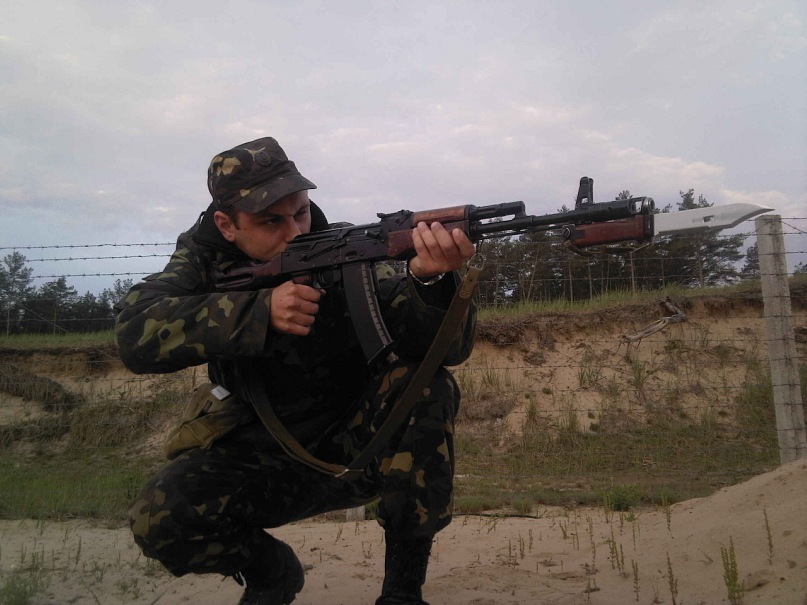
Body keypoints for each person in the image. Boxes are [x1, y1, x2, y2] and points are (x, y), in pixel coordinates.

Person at [115, 136, 477, 605]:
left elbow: (448, 350)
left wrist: (431, 281)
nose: (294, 232)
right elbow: (135, 334)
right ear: (226, 225)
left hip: (360, 450)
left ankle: (402, 593)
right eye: (271, 221)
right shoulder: (201, 263)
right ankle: (271, 574)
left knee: (424, 383)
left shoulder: (349, 251)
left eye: (301, 212)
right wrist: (258, 312)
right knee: (161, 516)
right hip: (263, 458)